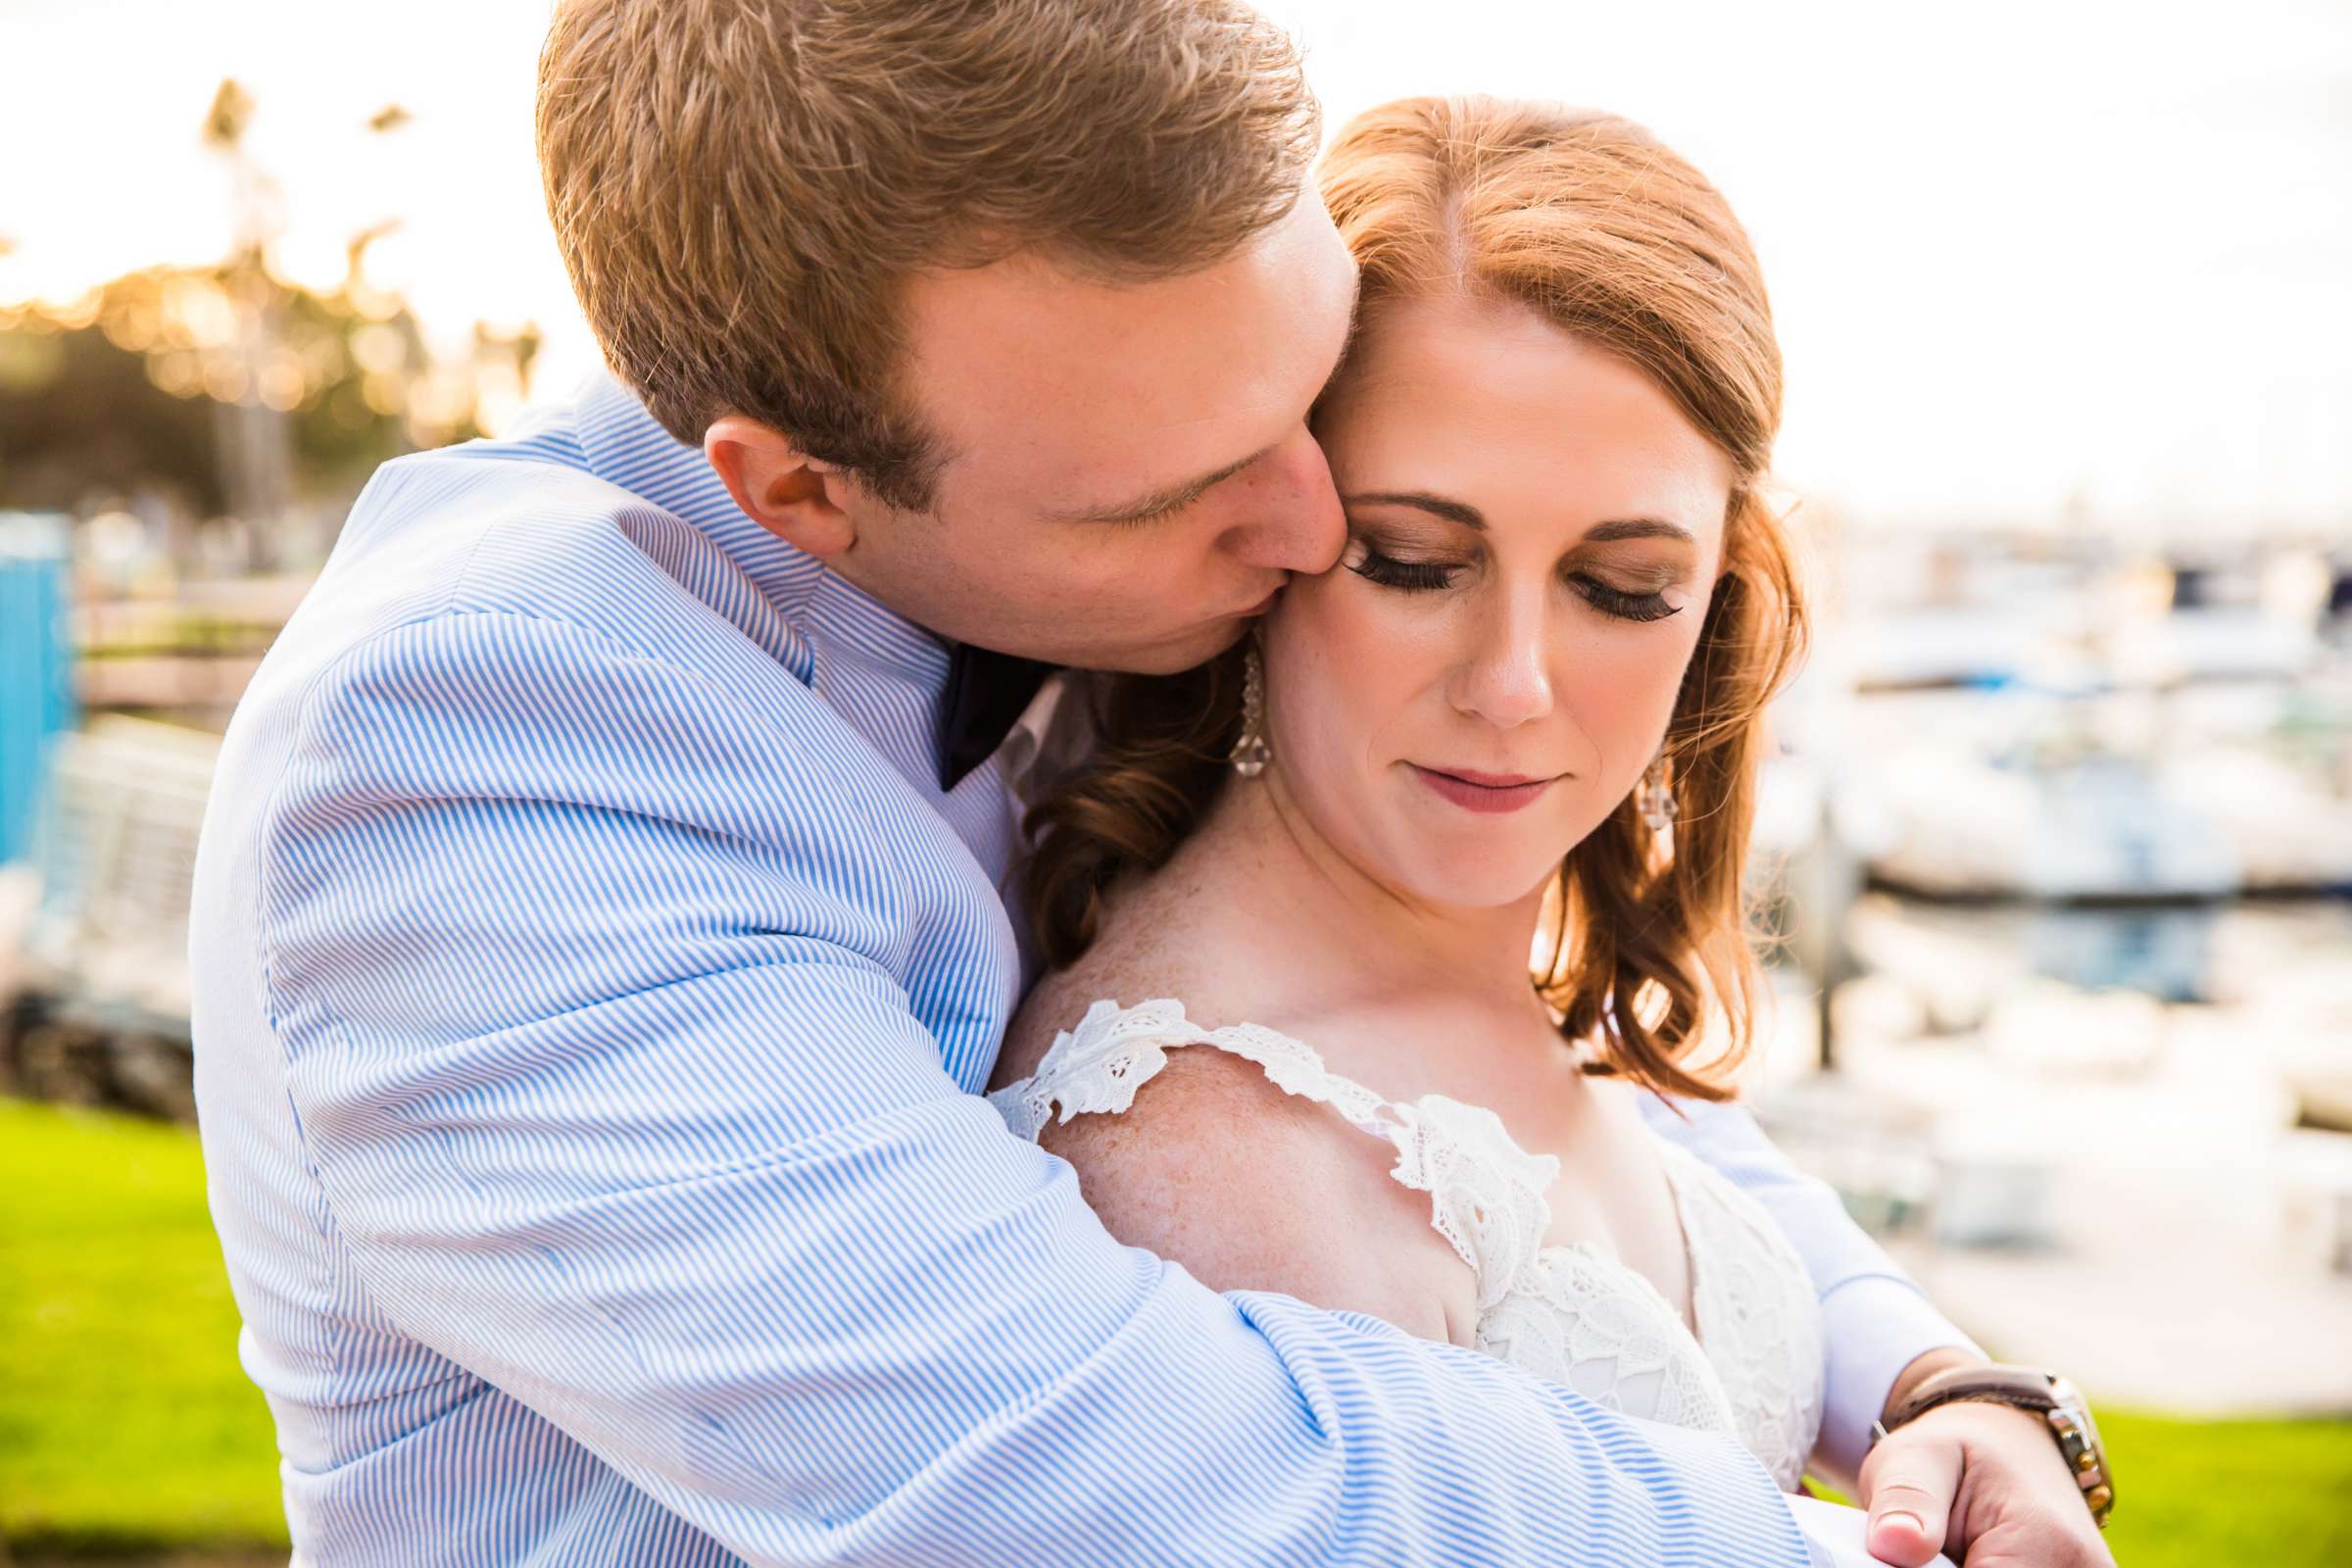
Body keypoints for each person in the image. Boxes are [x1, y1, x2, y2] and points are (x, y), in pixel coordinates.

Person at [185, 3, 2107, 1564]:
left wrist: (1928, 1378)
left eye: (1303, 391)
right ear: (798, 491)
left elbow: (1475, 1056)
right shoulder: (474, 757)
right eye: (1190, 483)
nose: (1301, 523)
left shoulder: (1069, 485)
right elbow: (1080, 1466)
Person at [998, 94, 2118, 1567]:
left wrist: (1948, 1393)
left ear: (1718, 595)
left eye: (1625, 587)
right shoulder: (1217, 1151)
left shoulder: (1504, 981)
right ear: (1269, 538)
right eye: (1411, 561)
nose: (1514, 687)